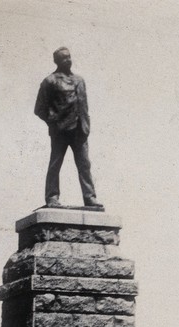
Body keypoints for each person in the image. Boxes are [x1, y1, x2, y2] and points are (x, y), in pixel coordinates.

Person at [34, 47, 103, 208]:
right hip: (61, 130)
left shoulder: (80, 80)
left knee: (84, 164)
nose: (68, 60)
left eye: (69, 57)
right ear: (56, 61)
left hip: (80, 130)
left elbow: (84, 106)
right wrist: (54, 121)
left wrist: (86, 126)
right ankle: (52, 197)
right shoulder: (49, 81)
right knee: (56, 163)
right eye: (64, 58)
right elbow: (39, 108)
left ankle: (90, 198)